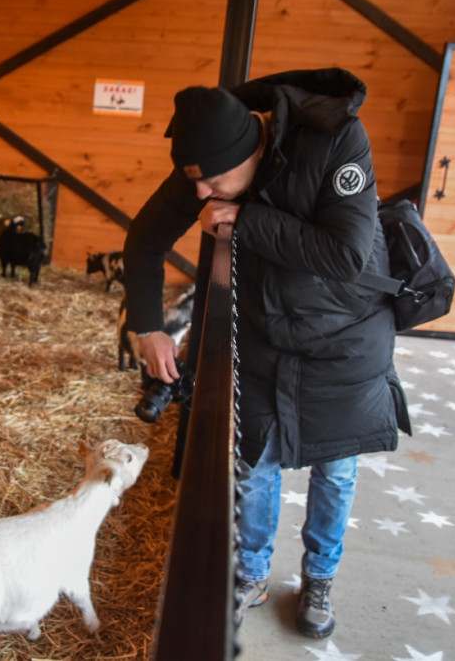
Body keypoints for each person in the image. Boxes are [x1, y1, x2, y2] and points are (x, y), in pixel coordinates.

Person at [122, 68, 409, 639]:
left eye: (213, 182)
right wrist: (149, 327)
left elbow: (347, 254)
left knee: (334, 468)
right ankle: (249, 572)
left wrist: (249, 220)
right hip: (263, 333)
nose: (201, 194)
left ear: (250, 149)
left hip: (344, 337)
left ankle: (319, 576)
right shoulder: (209, 166)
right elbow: (146, 239)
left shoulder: (336, 142)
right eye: (194, 182)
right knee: (254, 463)